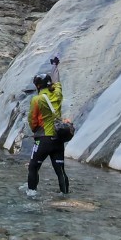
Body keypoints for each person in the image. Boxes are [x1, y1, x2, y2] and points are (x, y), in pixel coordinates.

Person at [26, 56, 68, 198]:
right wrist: (55, 65)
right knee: (60, 170)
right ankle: (65, 195)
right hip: (58, 139)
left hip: (43, 139)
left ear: (38, 86)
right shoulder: (58, 94)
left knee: (33, 167)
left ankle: (31, 194)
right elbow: (57, 81)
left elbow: (32, 119)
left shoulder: (37, 99)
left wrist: (35, 130)